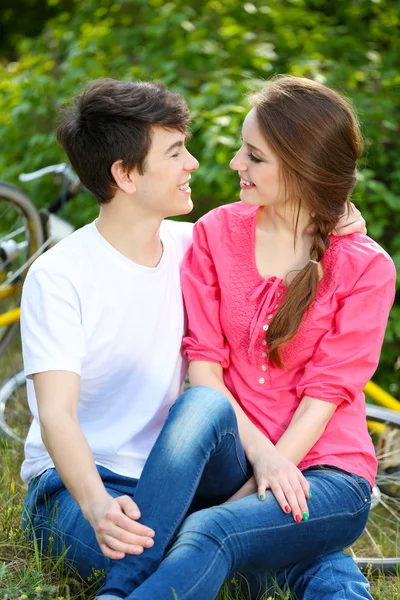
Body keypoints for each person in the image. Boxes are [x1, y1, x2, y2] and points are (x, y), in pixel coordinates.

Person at [20, 77, 369, 599]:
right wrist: (96, 505)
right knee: (187, 542)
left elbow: (288, 236)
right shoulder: (60, 275)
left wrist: (337, 218)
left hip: (185, 484)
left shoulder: (196, 245)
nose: (195, 165)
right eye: (176, 151)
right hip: (81, 485)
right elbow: (56, 414)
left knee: (212, 489)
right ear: (125, 174)